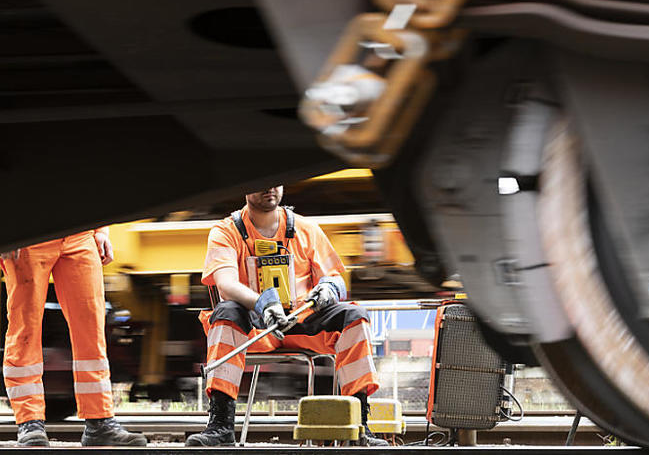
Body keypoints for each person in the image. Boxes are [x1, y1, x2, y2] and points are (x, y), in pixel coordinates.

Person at [186, 186, 388, 447]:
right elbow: (225, 284)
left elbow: (336, 277)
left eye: (275, 181)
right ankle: (221, 427)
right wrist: (262, 305)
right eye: (260, 182)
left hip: (303, 324)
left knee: (355, 316)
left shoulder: (307, 230)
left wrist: (329, 288)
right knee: (225, 313)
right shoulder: (226, 231)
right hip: (255, 329)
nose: (269, 188)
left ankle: (359, 428)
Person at [0, 229, 147, 447]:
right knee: (25, 331)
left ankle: (100, 422)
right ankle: (29, 423)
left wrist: (102, 230)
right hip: (29, 236)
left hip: (81, 234)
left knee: (91, 330)